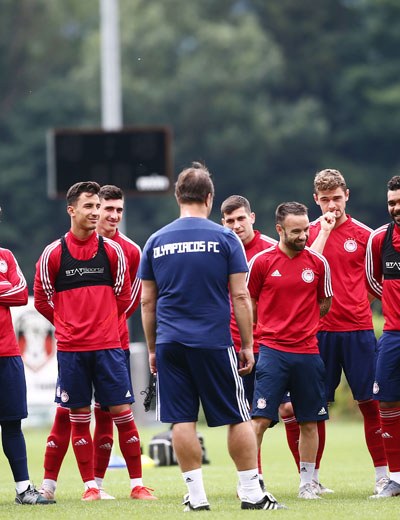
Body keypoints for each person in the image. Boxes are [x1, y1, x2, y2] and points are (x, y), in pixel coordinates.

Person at [139, 162, 284, 511]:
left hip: (170, 343)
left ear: (178, 197)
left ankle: (197, 497)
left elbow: (146, 302)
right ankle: (251, 494)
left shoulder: (156, 240)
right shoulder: (225, 238)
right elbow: (240, 295)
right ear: (208, 198)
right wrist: (247, 344)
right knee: (238, 416)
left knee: (181, 419)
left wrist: (153, 349)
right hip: (213, 342)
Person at [37, 183, 156, 501]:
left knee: (116, 414)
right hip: (72, 348)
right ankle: (56, 486)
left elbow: (127, 298)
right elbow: (43, 298)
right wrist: (69, 325)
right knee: (69, 415)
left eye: (117, 210)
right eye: (100, 208)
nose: (109, 215)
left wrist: (101, 324)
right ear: (74, 210)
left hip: (111, 345)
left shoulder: (123, 251)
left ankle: (123, 485)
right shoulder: (54, 253)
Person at [281, 169, 388, 495]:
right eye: (325, 199)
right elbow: (301, 269)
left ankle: (383, 476)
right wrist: (324, 233)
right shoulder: (309, 233)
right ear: (316, 199)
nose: (332, 205)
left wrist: (356, 302)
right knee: (314, 409)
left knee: (371, 404)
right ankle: (312, 479)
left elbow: (378, 280)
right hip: (319, 333)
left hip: (358, 331)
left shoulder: (366, 235)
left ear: (347, 195)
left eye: (337, 198)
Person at [248, 201, 332, 500]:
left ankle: (308, 484)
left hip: (308, 352)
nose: (303, 236)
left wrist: (303, 323)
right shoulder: (261, 262)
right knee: (260, 420)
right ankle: (250, 482)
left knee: (309, 420)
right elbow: (249, 302)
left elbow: (325, 302)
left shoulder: (318, 263)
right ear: (280, 229)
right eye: (296, 231)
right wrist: (270, 326)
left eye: (306, 229)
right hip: (272, 352)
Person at [220, 195, 276, 492]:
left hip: (271, 344)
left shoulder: (271, 248)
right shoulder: (219, 252)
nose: (236, 225)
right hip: (233, 347)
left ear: (252, 217)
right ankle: (254, 478)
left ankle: (309, 480)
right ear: (223, 223)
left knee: (291, 411)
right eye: (230, 221)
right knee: (245, 416)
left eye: (241, 218)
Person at [0, 207, 54, 506]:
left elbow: (21, 294)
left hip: (7, 353)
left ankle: (24, 490)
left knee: (12, 423)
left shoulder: (6, 256)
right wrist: (3, 285)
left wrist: (7, 287)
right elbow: (10, 290)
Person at [366, 175, 400, 498]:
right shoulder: (380, 239)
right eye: (392, 202)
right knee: (386, 400)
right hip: (392, 333)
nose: (396, 207)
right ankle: (397, 479)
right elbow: (373, 282)